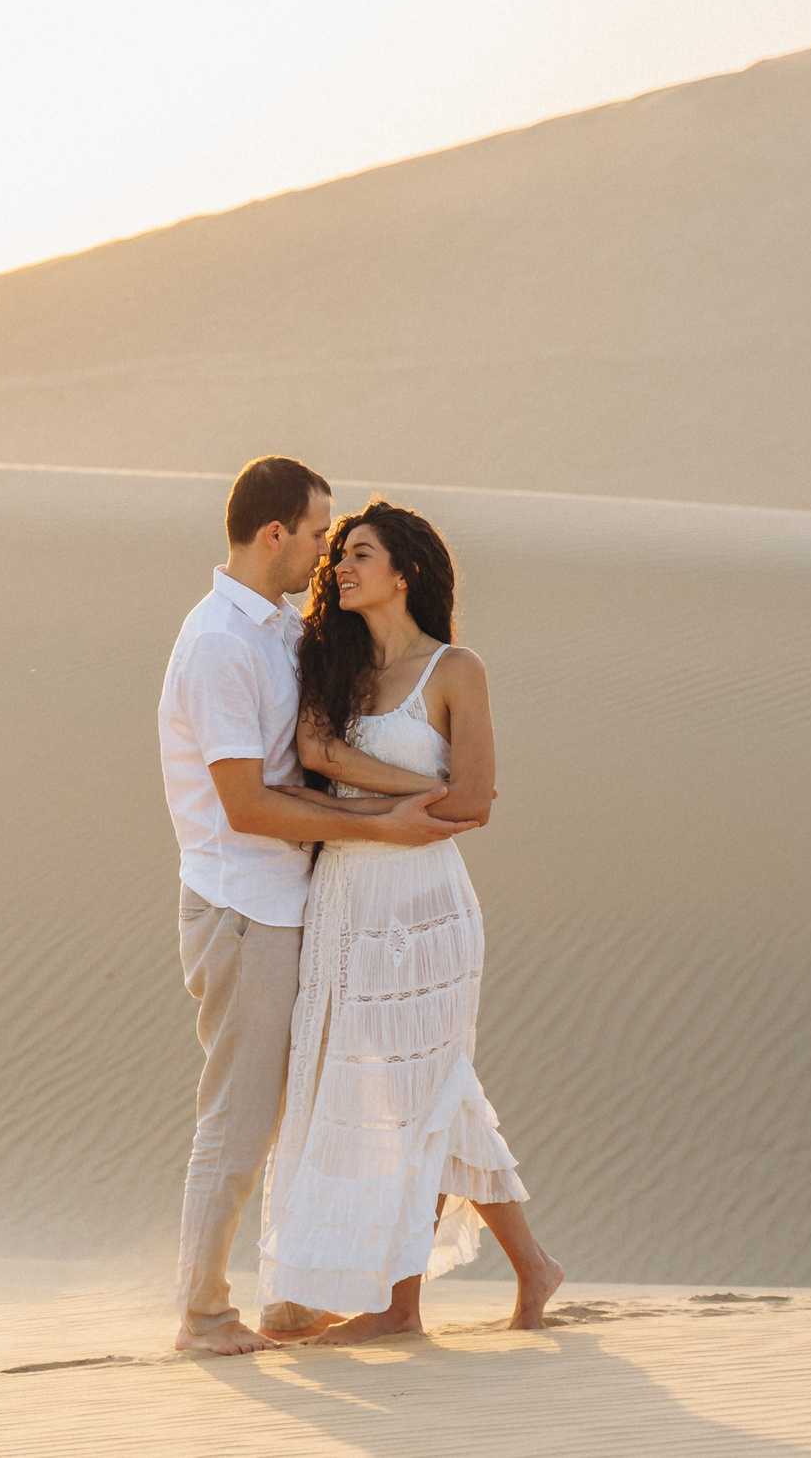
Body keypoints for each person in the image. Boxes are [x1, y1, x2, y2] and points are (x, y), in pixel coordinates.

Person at [158, 458, 481, 1356]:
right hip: (243, 906)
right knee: (242, 1109)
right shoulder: (219, 641)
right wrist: (384, 822)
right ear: (274, 534)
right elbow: (248, 803)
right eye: (315, 532)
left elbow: (310, 748)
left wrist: (394, 799)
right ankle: (204, 1313)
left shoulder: (276, 631)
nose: (325, 551)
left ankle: (293, 1297)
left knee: (306, 1103)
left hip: (295, 902)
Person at [258, 498, 565, 1337]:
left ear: (407, 571)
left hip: (426, 905)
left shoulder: (456, 668)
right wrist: (402, 793)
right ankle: (534, 1268)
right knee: (411, 1087)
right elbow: (317, 753)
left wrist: (390, 794)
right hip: (348, 897)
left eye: (359, 552)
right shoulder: (335, 660)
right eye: (339, 554)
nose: (340, 566)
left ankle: (400, 1306)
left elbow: (474, 800)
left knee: (416, 1090)